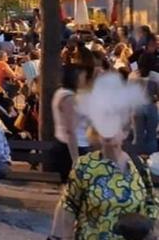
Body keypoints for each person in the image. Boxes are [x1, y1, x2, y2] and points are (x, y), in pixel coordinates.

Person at [50, 74, 157, 240]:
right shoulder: (85, 166)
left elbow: (151, 203)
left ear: (125, 132)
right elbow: (67, 207)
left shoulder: (138, 166)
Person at [52, 65, 90, 182]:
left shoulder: (61, 92)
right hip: (73, 148)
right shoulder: (69, 98)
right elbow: (70, 130)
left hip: (67, 145)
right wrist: (75, 159)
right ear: (75, 78)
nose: (85, 80)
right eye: (83, 77)